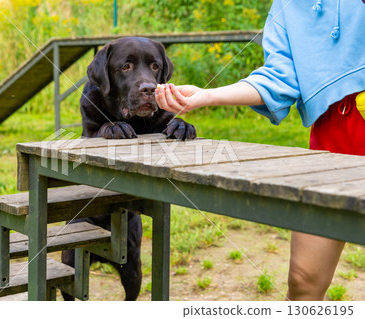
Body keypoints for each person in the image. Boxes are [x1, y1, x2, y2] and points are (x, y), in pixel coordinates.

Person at [155, 0, 365, 301]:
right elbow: (279, 78)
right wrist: (208, 95)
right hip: (332, 140)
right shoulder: (286, 7)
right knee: (304, 278)